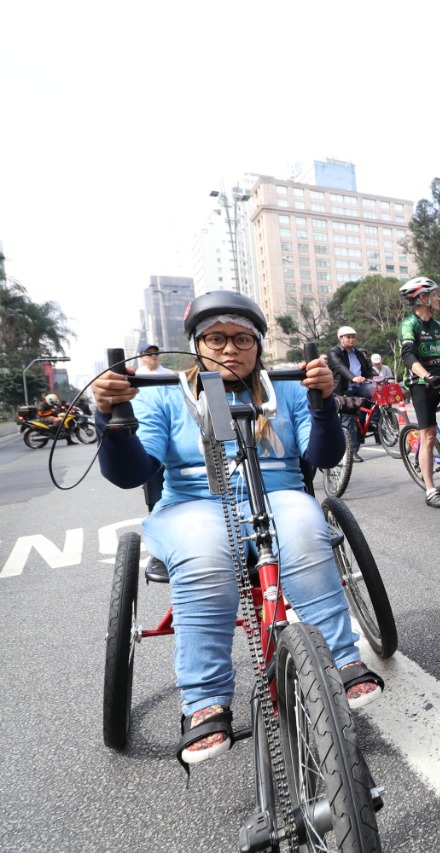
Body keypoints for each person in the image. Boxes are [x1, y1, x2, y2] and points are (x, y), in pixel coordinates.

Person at [90, 290, 382, 767]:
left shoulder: (286, 386)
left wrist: (324, 403)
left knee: (307, 525)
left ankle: (342, 659)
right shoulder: (165, 391)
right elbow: (129, 474)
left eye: (242, 338)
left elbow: (324, 457)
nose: (230, 349)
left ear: (258, 344)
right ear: (196, 344)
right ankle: (205, 699)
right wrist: (111, 421)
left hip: (279, 494)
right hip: (192, 504)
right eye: (216, 338)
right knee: (207, 550)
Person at [398, 277, 440, 508]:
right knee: (428, 436)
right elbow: (408, 355)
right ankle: (431, 490)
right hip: (421, 383)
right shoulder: (409, 325)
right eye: (434, 294)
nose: (438, 298)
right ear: (423, 298)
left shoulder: (438, 326)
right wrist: (426, 376)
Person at [328, 326, 376, 461]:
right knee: (348, 418)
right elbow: (339, 367)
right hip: (344, 388)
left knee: (377, 395)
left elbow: (368, 368)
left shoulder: (358, 352)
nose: (351, 339)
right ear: (341, 339)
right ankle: (353, 451)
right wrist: (353, 377)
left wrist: (375, 379)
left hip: (360, 385)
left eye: (353, 337)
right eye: (348, 337)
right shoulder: (334, 352)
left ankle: (374, 422)